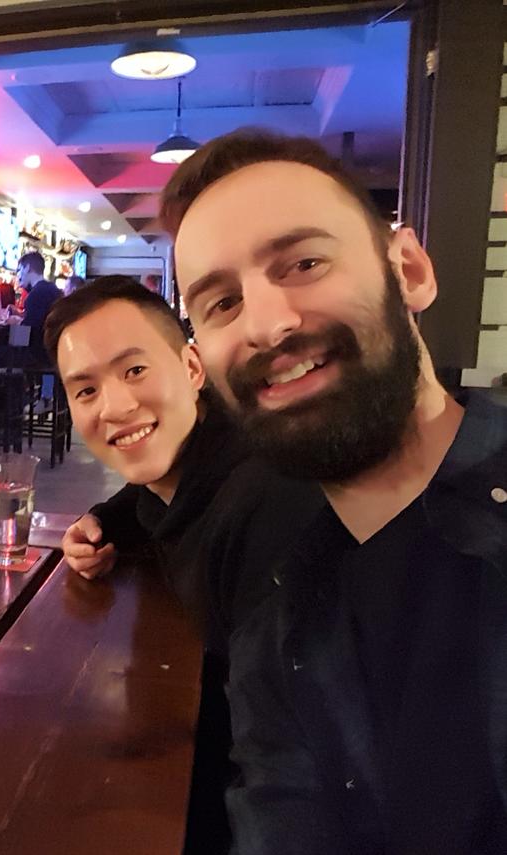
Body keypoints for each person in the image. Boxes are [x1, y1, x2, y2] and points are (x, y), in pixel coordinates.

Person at [161, 129, 507, 853]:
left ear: (409, 270)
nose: (267, 325)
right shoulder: (277, 601)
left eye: (305, 263)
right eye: (221, 303)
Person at [45, 276, 324, 853]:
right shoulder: (201, 459)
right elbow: (145, 499)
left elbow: (293, 759)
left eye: (135, 370)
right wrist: (99, 523)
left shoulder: (263, 507)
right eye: (86, 390)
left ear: (192, 367)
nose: (115, 406)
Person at [16, 251, 62, 366]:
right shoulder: (54, 290)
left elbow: (28, 332)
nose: (18, 275)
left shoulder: (35, 295)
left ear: (27, 268)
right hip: (54, 352)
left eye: (19, 270)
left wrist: (17, 323)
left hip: (37, 355)